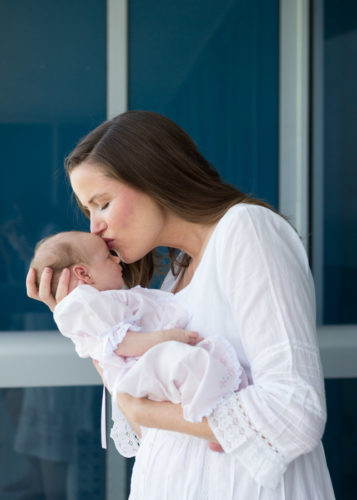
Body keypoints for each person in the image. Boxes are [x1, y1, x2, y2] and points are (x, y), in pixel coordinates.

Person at [27, 110, 335, 499]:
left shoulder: (246, 231)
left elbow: (295, 411)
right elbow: (154, 433)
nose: (94, 228)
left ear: (152, 176)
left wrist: (146, 411)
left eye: (102, 203)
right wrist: (88, 327)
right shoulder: (174, 280)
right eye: (88, 212)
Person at [31, 230, 245, 455]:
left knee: (192, 367)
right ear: (83, 273)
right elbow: (123, 343)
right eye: (107, 256)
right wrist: (166, 338)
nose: (116, 259)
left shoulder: (102, 302)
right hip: (140, 366)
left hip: (147, 364)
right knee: (186, 365)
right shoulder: (83, 304)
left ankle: (215, 415)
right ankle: (213, 424)